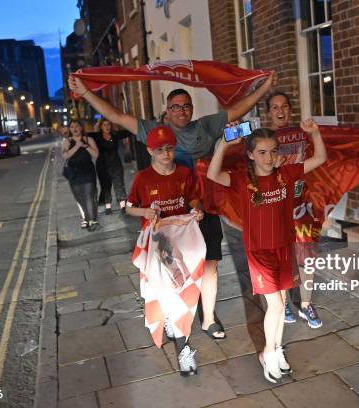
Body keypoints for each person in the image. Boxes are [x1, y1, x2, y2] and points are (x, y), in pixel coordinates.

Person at [69, 72, 277, 340]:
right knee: (170, 268)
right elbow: (117, 116)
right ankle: (173, 315)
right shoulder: (153, 132)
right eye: (175, 106)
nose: (181, 111)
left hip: (203, 208)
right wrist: (86, 92)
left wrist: (265, 88)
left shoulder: (205, 127)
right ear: (167, 111)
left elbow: (238, 108)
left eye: (186, 106)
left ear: (192, 109)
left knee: (210, 263)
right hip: (169, 216)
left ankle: (209, 318)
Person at [206, 121, 327, 383]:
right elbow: (213, 174)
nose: (269, 157)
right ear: (250, 154)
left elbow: (319, 158)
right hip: (259, 252)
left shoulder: (287, 173)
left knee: (281, 304)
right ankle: (268, 352)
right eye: (261, 152)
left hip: (283, 248)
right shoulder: (241, 179)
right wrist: (224, 145)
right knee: (277, 305)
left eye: (273, 151)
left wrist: (315, 133)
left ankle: (276, 348)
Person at [126, 125, 204, 376]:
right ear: (150, 150)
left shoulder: (183, 173)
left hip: (184, 241)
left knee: (186, 291)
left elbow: (192, 197)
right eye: (160, 150)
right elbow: (129, 207)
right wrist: (144, 212)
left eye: (170, 148)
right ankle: (184, 350)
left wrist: (196, 210)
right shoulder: (142, 178)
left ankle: (173, 320)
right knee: (174, 292)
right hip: (159, 245)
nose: (166, 154)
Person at [266, 91, 324, 329]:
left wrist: (315, 132)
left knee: (306, 259)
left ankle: (305, 304)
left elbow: (321, 158)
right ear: (268, 112)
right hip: (273, 206)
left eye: (285, 106)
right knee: (277, 260)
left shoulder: (301, 133)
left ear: (290, 109)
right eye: (275, 107)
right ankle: (283, 303)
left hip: (300, 206)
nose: (280, 111)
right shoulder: (262, 138)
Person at [61, 120, 100, 231]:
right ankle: (86, 218)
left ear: (81, 128)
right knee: (79, 198)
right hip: (74, 173)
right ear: (70, 129)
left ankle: (92, 220)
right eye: (72, 127)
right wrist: (77, 146)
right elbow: (65, 156)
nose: (74, 128)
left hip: (88, 170)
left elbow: (96, 154)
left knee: (89, 195)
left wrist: (85, 146)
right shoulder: (67, 141)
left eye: (77, 126)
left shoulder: (89, 139)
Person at [90, 118, 128, 215]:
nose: (107, 127)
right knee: (105, 186)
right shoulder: (97, 136)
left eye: (108, 125)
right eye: (104, 125)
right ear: (101, 127)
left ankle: (123, 205)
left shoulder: (115, 135)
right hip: (102, 166)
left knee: (119, 184)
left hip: (116, 164)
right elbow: (83, 135)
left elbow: (129, 131)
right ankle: (108, 207)